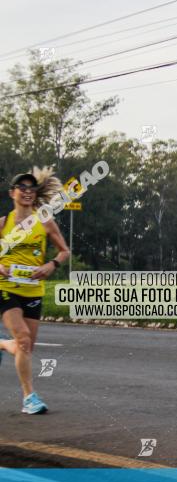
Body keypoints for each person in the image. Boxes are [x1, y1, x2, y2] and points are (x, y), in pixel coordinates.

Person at [0, 168, 70, 414]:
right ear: (12, 193)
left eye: (32, 189)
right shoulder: (3, 224)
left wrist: (52, 265)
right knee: (24, 339)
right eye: (22, 188)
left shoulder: (44, 221)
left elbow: (64, 251)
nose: (28, 192)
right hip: (5, 289)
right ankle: (29, 397)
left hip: (33, 289)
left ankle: (2, 345)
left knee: (26, 346)